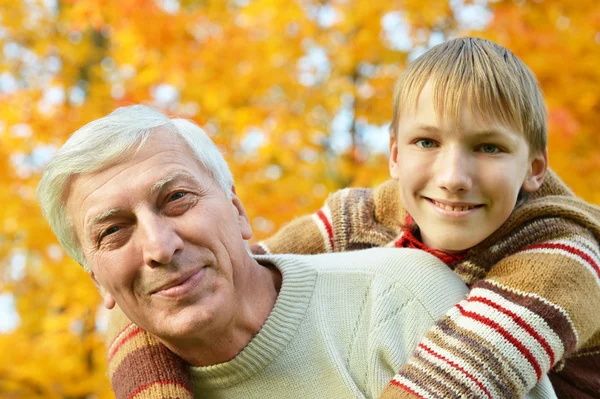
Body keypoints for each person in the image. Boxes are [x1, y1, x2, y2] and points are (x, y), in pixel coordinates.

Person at [104, 37, 600, 398]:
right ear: (394, 155)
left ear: (534, 169)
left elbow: (452, 379)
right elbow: (208, 280)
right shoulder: (361, 216)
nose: (453, 176)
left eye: (488, 148)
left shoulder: (561, 257)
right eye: (427, 142)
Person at [37, 105, 475, 398]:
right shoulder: (142, 380)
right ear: (96, 279)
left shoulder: (400, 298)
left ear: (238, 210)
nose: (160, 247)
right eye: (114, 230)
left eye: (176, 199)